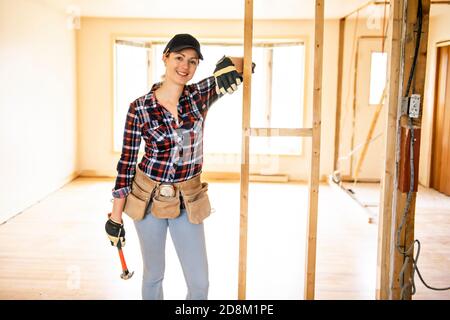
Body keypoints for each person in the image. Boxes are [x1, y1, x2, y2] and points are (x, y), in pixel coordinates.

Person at [105, 33, 251, 300]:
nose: (185, 66)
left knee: (199, 282)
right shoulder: (140, 108)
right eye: (179, 58)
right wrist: (115, 219)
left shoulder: (199, 96)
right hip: (148, 200)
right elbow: (126, 165)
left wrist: (227, 63)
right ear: (165, 58)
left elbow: (248, 65)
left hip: (188, 199)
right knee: (154, 275)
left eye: (193, 61)